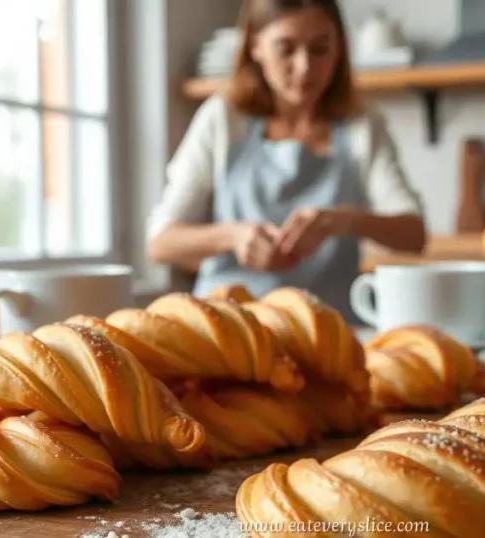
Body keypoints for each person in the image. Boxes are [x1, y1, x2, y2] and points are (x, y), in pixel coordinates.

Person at [145, 0, 426, 324]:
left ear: (340, 49)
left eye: (320, 49)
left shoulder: (362, 125)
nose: (305, 67)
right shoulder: (222, 118)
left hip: (329, 331)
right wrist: (233, 236)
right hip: (225, 328)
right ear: (255, 47)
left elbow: (414, 234)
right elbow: (160, 242)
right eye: (286, 49)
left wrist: (342, 220)